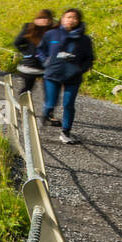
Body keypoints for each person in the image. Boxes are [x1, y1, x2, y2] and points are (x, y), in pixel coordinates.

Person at [39, 9, 95, 144]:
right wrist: (45, 61)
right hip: (53, 74)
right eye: (68, 17)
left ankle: (66, 132)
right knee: (50, 102)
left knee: (69, 104)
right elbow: (41, 50)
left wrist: (80, 69)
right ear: (62, 18)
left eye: (74, 17)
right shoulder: (51, 34)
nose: (71, 20)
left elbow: (89, 58)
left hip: (73, 77)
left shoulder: (84, 39)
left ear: (79, 20)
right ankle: (44, 119)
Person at [12, 9, 56, 98]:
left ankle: (48, 110)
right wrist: (28, 52)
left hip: (46, 66)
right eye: (42, 18)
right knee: (28, 88)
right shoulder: (29, 28)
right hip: (30, 65)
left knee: (49, 91)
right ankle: (22, 106)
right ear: (37, 18)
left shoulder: (54, 31)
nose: (45, 20)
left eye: (47, 18)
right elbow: (17, 42)